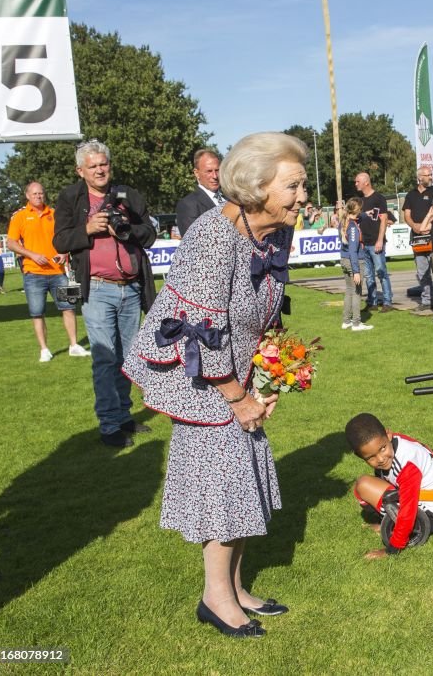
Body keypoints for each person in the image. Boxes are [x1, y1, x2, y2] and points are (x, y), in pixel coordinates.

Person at [122, 132, 304, 638]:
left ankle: (236, 587)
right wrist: (238, 398)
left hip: (238, 375)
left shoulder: (271, 234)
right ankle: (215, 598)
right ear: (254, 186)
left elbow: (259, 316)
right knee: (225, 489)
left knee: (244, 481)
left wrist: (270, 371)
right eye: (292, 185)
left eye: (301, 184)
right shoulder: (212, 236)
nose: (302, 196)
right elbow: (201, 334)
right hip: (204, 381)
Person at [53, 140, 157, 448]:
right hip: (97, 289)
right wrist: (87, 228)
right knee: (104, 358)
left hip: (131, 287)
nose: (100, 170)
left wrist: (127, 226)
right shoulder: (70, 197)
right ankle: (109, 424)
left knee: (127, 359)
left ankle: (124, 416)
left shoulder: (127, 195)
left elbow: (148, 235)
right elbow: (60, 241)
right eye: (93, 165)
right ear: (80, 170)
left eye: (104, 164)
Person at [346, 412, 433, 559]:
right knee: (361, 487)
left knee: (363, 485)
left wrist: (392, 548)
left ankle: (394, 527)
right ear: (360, 456)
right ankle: (387, 521)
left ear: (388, 434)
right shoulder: (392, 442)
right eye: (371, 457)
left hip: (431, 515)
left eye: (382, 449)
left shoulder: (406, 463)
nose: (381, 459)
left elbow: (408, 510)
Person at [7, 182, 90, 363]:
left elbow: (66, 238)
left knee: (69, 308)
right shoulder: (19, 216)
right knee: (37, 312)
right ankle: (44, 349)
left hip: (58, 272)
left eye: (41, 193)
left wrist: (63, 252)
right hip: (33, 274)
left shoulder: (54, 214)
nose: (38, 196)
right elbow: (11, 243)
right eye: (35, 194)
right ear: (27, 196)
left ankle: (74, 345)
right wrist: (32, 255)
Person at [402, 166, 433, 311]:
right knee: (422, 271)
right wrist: (414, 226)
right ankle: (426, 301)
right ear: (420, 177)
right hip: (418, 239)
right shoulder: (411, 195)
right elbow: (406, 215)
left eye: (431, 175)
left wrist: (428, 224)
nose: (431, 177)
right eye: (428, 175)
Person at [354, 172, 392, 311]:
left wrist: (380, 240)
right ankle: (373, 301)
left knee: (381, 271)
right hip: (363, 243)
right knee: (369, 275)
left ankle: (387, 301)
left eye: (357, 181)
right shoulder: (359, 201)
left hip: (376, 242)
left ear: (366, 182)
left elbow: (384, 220)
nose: (355, 184)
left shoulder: (379, 198)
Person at [175, 149, 224, 237]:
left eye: (217, 170)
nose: (215, 176)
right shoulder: (188, 205)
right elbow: (193, 240)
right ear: (197, 173)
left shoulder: (231, 198)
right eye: (209, 171)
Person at [339, 197, 371, 332]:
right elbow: (353, 250)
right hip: (354, 260)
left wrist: (366, 214)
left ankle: (346, 321)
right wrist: (356, 271)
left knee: (349, 291)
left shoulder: (343, 222)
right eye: (361, 209)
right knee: (357, 292)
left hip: (344, 259)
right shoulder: (352, 227)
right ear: (357, 210)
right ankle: (356, 323)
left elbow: (359, 215)